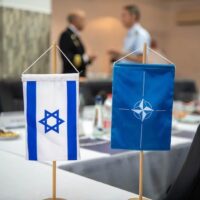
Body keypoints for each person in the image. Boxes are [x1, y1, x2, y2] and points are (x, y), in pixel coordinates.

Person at [59, 10, 96, 77]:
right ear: (75, 20)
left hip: (79, 76)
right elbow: (68, 59)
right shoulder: (66, 35)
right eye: (82, 19)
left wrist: (88, 59)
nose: (85, 22)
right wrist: (86, 58)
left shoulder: (75, 35)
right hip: (71, 77)